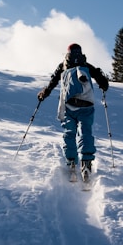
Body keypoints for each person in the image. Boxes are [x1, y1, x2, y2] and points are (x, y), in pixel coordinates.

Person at [37, 43, 109, 181]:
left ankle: (71, 163)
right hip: (86, 105)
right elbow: (102, 82)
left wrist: (43, 94)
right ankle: (86, 163)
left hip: (69, 106)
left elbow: (52, 82)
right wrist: (103, 85)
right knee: (85, 132)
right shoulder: (86, 65)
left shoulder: (63, 65)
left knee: (69, 134)